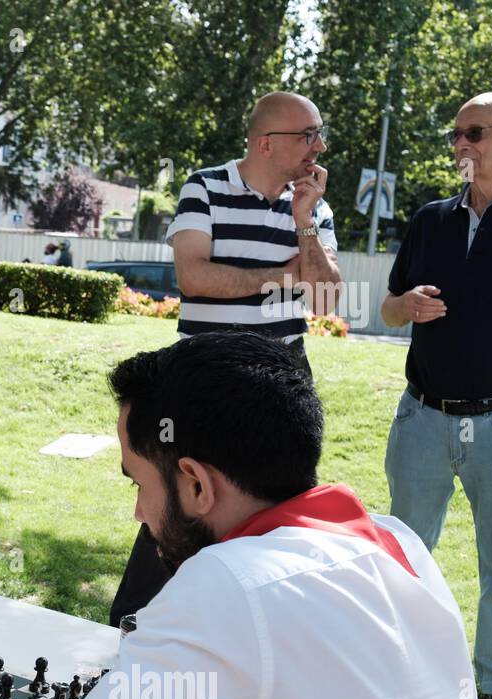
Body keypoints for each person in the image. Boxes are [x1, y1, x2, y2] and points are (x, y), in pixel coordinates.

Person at [20, 331, 492, 699]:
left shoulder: (228, 586)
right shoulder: (398, 542)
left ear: (196, 484)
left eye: (137, 483)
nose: (138, 514)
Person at [110, 91, 343, 629]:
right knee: (175, 494)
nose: (319, 146)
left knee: (273, 503)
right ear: (266, 142)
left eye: (319, 133)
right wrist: (286, 275)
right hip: (199, 379)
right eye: (308, 134)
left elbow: (328, 296)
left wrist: (304, 222)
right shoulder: (206, 185)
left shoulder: (315, 203)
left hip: (279, 379)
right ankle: (135, 622)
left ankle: (248, 624)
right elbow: (195, 279)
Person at [380, 91, 492, 699]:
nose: (461, 144)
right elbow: (383, 310)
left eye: (475, 132)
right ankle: (403, 673)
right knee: (404, 556)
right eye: (455, 135)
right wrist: (404, 305)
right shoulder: (430, 220)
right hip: (423, 422)